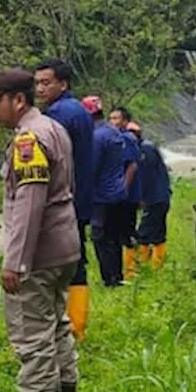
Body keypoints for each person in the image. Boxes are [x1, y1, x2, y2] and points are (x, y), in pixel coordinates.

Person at [0, 68, 82, 392]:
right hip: (64, 244)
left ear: (18, 100)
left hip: (40, 253)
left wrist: (15, 262)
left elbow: (29, 204)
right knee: (56, 324)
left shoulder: (29, 139)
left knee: (30, 328)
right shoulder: (53, 128)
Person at [33, 58, 94, 342]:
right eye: (37, 83)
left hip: (65, 198)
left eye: (46, 83)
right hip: (81, 195)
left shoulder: (57, 116)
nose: (40, 89)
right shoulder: (79, 110)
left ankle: (69, 329)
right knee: (77, 257)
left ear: (63, 83)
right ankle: (78, 324)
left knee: (61, 264)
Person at [83, 95, 129, 287]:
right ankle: (118, 275)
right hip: (118, 193)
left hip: (102, 195)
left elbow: (92, 168)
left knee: (100, 238)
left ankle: (108, 279)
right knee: (114, 237)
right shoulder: (113, 132)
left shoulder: (96, 137)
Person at [127, 122, 172, 269]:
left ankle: (136, 268)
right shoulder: (143, 147)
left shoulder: (145, 150)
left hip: (155, 198)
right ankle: (157, 266)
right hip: (161, 197)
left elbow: (147, 177)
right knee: (158, 232)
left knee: (144, 233)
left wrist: (142, 198)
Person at [108, 107, 143, 279]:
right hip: (124, 194)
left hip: (127, 197)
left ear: (125, 121)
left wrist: (122, 190)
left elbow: (132, 166)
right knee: (121, 231)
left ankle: (131, 270)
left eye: (116, 118)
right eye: (111, 118)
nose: (113, 122)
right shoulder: (118, 138)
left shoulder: (126, 139)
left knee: (126, 232)